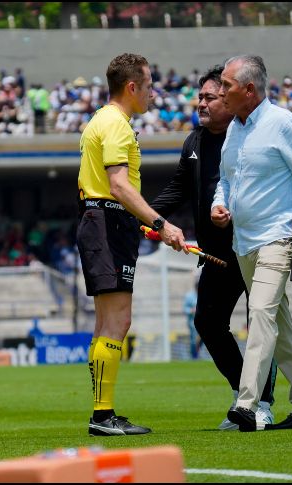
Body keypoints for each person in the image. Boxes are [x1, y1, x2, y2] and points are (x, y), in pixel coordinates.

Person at [212, 55, 292, 431]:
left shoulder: (284, 125)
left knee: (260, 314)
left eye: (226, 85)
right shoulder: (234, 130)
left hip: (279, 239)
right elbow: (226, 181)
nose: (220, 92)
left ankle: (248, 403)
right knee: (278, 325)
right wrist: (220, 202)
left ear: (249, 90)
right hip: (243, 242)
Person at [150, 65, 276, 431]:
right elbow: (177, 187)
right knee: (207, 321)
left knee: (260, 326)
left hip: (253, 248)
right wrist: (142, 214)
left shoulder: (250, 137)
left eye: (209, 97)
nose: (201, 103)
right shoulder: (194, 142)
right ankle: (244, 397)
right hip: (216, 256)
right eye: (200, 97)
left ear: (229, 98)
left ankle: (261, 404)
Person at [77, 53, 187, 437]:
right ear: (132, 87)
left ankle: (102, 412)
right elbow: (118, 185)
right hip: (107, 222)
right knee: (117, 322)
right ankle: (103, 415)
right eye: (150, 84)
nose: (154, 93)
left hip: (103, 221)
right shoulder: (116, 124)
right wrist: (160, 223)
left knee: (105, 322)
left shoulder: (104, 120)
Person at [182, 277, 200, 360]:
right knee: (194, 339)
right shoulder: (189, 296)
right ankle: (194, 357)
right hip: (192, 322)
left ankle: (197, 353)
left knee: (204, 338)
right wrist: (191, 310)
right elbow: (185, 309)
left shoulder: (206, 294)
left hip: (204, 322)